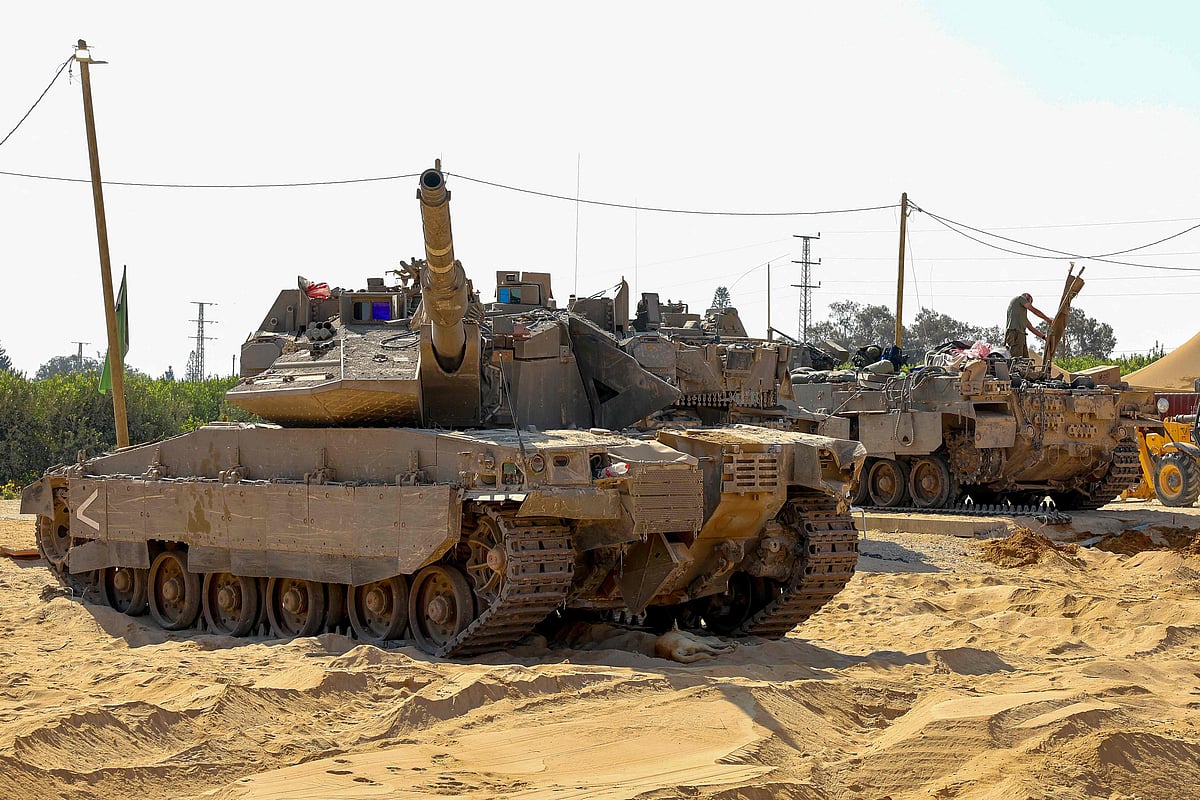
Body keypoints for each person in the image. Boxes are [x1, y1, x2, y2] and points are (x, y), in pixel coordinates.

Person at [1004, 293, 1053, 358]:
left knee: (1025, 359)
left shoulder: (1020, 314)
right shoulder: (1020, 298)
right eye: (1030, 302)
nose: (1030, 304)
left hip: (1020, 335)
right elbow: (1034, 311)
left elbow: (1030, 327)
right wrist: (1048, 320)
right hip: (1015, 333)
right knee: (1017, 359)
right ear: (1027, 296)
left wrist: (1044, 337)